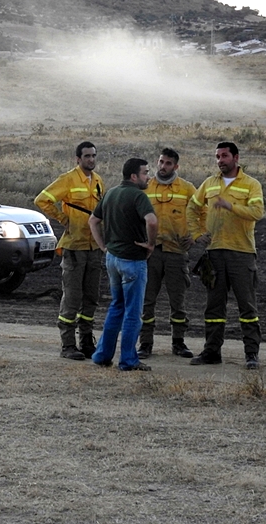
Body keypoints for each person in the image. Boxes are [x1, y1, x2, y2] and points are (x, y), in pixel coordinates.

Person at [186, 141, 264, 369]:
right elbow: (192, 207)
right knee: (213, 308)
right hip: (214, 253)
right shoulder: (209, 184)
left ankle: (251, 355)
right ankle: (211, 352)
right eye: (217, 157)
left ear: (236, 157)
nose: (220, 160)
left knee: (247, 306)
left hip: (242, 253)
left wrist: (230, 206)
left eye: (224, 156)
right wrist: (197, 233)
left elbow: (257, 212)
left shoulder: (251, 184)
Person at [34, 141, 105, 360]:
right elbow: (42, 200)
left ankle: (86, 342)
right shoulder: (68, 179)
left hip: (93, 246)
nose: (91, 160)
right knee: (72, 297)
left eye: (93, 156)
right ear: (78, 159)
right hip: (74, 246)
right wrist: (64, 219)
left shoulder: (99, 181)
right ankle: (67, 345)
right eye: (87, 156)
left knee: (91, 297)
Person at [89, 158, 157, 371]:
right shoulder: (138, 195)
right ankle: (128, 360)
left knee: (116, 307)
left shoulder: (111, 193)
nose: (149, 176)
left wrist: (103, 246)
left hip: (113, 259)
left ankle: (102, 355)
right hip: (133, 261)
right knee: (132, 312)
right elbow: (152, 221)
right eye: (145, 173)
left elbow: (93, 220)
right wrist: (151, 244)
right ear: (134, 176)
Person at [137, 148, 198, 360]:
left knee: (178, 302)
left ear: (176, 166)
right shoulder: (146, 187)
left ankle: (178, 343)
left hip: (176, 253)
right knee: (147, 301)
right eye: (161, 162)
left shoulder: (187, 189)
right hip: (150, 253)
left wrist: (195, 237)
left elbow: (203, 212)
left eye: (168, 163)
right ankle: (145, 344)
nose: (163, 167)